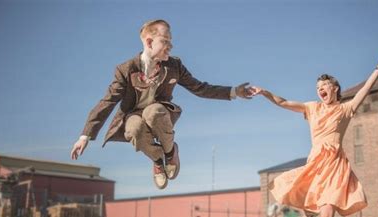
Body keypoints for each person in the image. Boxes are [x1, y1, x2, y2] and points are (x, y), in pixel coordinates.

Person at [250, 57, 378, 217]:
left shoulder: (346, 109)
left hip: (336, 166)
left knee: (328, 215)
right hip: (316, 164)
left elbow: (367, 88)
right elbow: (283, 102)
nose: (320, 90)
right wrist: (264, 92)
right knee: (290, 186)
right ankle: (307, 211)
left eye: (324, 86)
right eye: (317, 88)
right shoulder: (312, 107)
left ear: (335, 88)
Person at [70, 19, 252, 189]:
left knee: (153, 111)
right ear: (149, 43)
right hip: (134, 115)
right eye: (165, 41)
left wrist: (234, 91)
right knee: (133, 127)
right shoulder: (125, 70)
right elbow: (108, 101)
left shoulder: (174, 66)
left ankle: (171, 152)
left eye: (170, 41)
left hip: (160, 114)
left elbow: (199, 88)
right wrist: (85, 136)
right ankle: (158, 160)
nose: (170, 46)